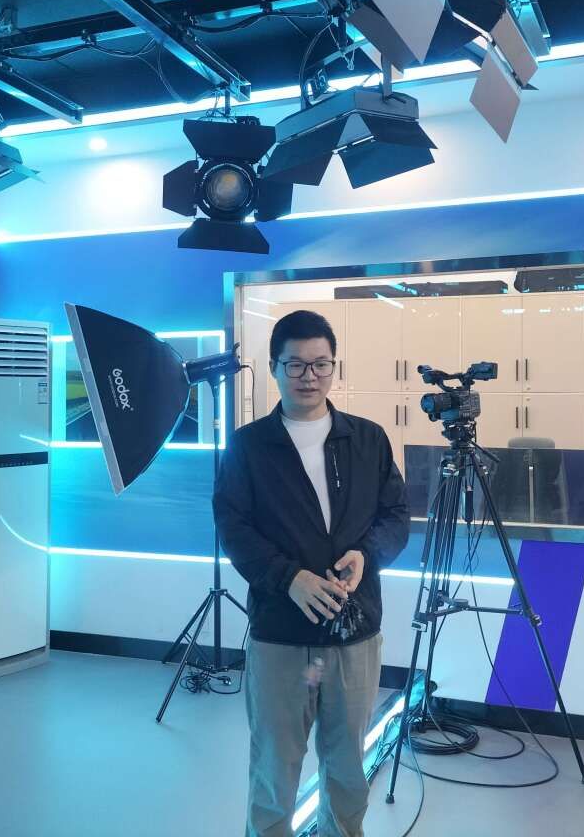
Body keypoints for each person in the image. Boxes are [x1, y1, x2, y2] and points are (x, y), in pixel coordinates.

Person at [214, 309, 409, 837]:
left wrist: (367, 554)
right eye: (295, 365)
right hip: (281, 635)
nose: (309, 376)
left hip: (354, 633)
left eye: (320, 364)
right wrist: (289, 578)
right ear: (274, 368)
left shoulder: (368, 439)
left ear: (333, 367)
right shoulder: (249, 446)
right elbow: (233, 528)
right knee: (275, 770)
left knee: (347, 770)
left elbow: (396, 515)